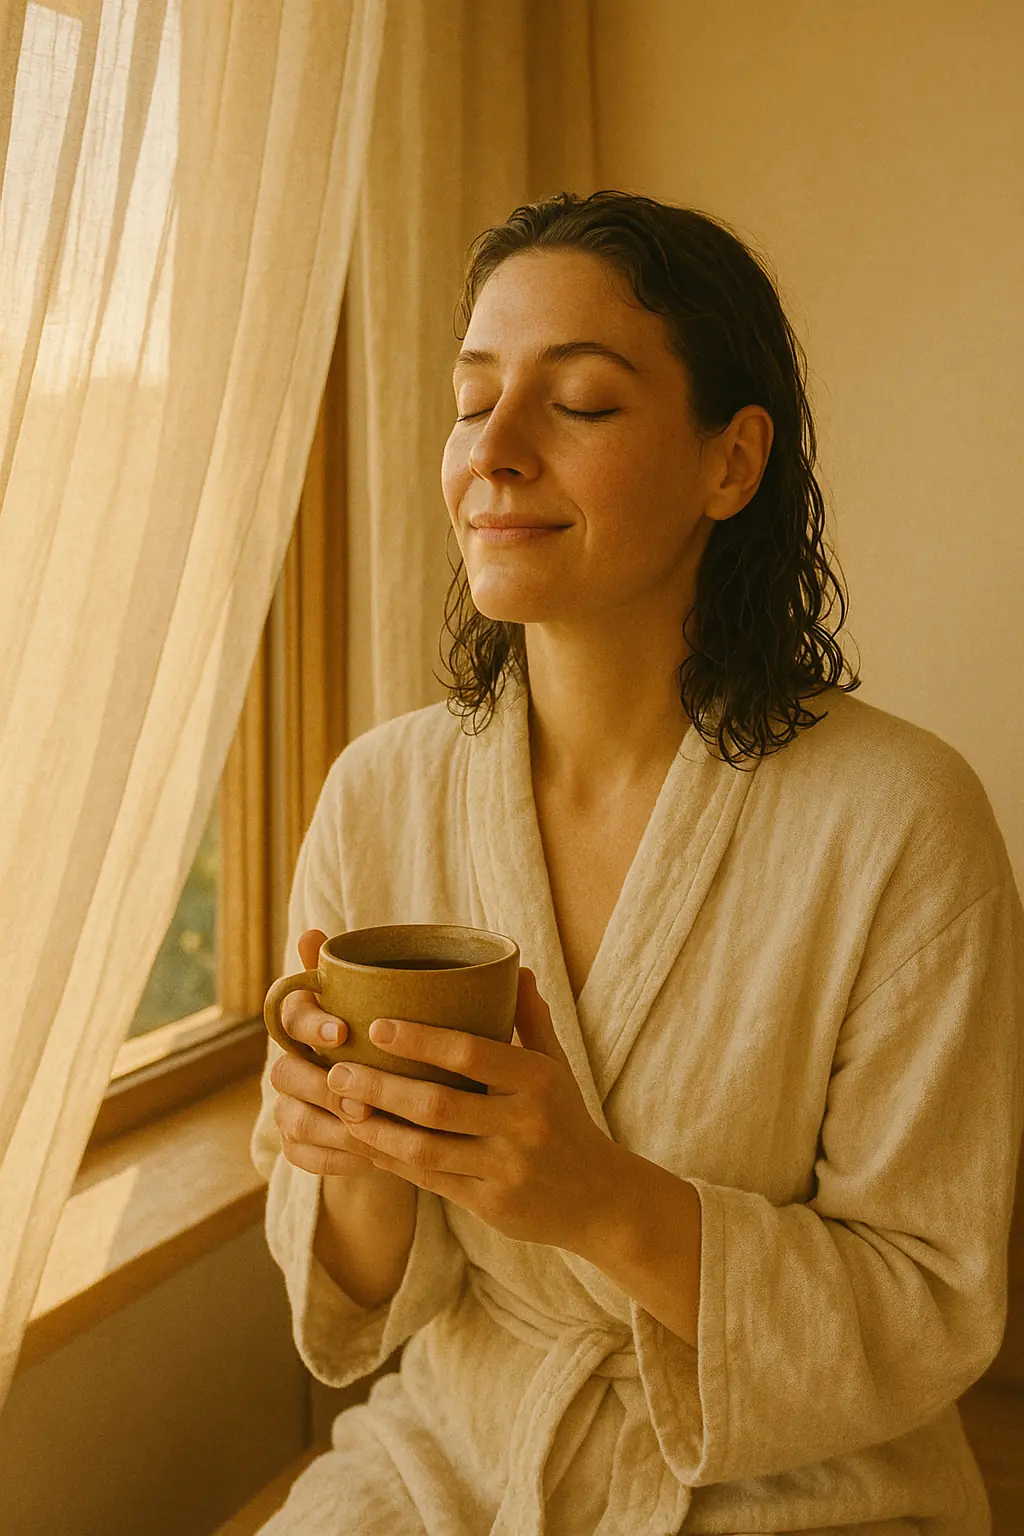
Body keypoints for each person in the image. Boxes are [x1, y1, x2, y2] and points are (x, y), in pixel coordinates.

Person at [250, 190, 1024, 1535]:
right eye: (471, 399)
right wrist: (351, 1148)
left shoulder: (902, 822)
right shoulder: (381, 793)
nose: (493, 452)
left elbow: (927, 1303)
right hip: (458, 1456)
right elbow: (361, 1302)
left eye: (581, 404)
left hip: (797, 1489)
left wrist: (601, 1201)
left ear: (732, 463)